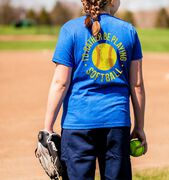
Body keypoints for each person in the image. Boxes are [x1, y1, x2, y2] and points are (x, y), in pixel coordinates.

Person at [43, 0, 148, 179]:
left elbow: (60, 83)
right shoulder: (128, 31)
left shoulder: (70, 30)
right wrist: (139, 126)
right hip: (116, 123)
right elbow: (136, 85)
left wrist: (47, 127)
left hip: (77, 125)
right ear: (113, 1)